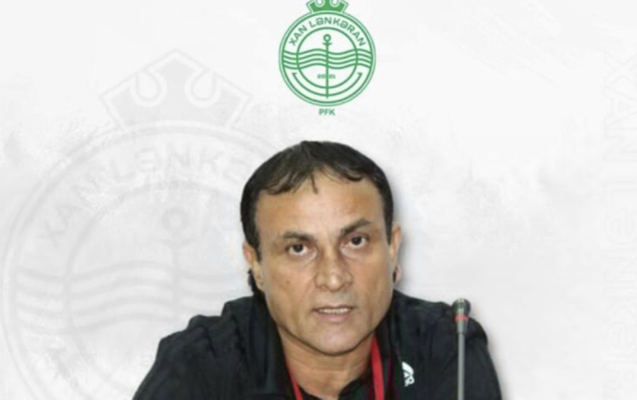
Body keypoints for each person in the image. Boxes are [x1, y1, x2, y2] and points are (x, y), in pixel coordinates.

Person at [133, 141, 502, 400]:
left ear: (392, 249)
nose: (333, 277)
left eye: (355, 241)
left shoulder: (444, 343)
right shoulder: (202, 362)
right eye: (299, 249)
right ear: (256, 265)